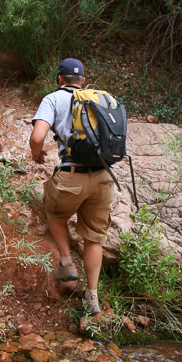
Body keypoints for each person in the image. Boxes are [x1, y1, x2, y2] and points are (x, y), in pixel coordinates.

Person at [29, 57, 115, 317]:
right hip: (103, 178)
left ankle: (66, 263)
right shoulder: (102, 98)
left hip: (71, 174)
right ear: (83, 81)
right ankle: (92, 297)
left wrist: (36, 154)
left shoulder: (53, 99)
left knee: (55, 212)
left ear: (59, 80)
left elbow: (37, 137)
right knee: (93, 238)